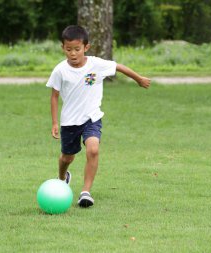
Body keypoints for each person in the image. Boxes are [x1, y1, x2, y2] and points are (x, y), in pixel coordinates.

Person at [46, 25, 151, 208]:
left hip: (91, 118)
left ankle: (85, 192)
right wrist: (55, 122)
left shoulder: (96, 64)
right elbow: (54, 96)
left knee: (93, 149)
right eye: (68, 49)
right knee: (67, 158)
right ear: (62, 47)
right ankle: (62, 177)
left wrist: (138, 79)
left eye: (77, 49)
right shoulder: (60, 70)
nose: (72, 54)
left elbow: (118, 67)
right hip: (70, 121)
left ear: (86, 47)